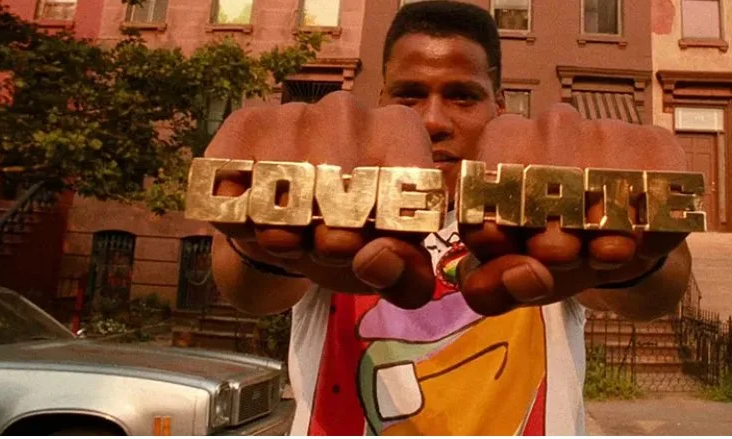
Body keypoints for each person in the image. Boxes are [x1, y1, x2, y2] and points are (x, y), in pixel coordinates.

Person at [205, 1, 693, 435]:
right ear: (380, 105)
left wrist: (639, 258)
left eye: (463, 96)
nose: (433, 121)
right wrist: (261, 240)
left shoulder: (538, 214)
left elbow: (657, 289)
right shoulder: (335, 201)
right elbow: (248, 288)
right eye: (409, 96)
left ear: (500, 109)